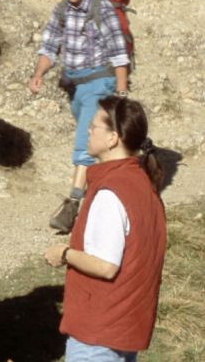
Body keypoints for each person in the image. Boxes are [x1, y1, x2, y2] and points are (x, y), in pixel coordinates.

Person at [45, 96, 167, 362]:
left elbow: (105, 265)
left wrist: (64, 253)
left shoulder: (111, 191)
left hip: (98, 333)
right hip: (126, 325)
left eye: (94, 127)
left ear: (113, 138)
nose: (88, 131)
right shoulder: (143, 184)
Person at [29, 0, 130, 234]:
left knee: (83, 141)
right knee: (94, 139)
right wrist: (39, 73)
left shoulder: (103, 8)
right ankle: (114, 183)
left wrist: (120, 92)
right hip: (74, 86)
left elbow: (119, 52)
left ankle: (73, 204)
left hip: (100, 82)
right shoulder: (62, 10)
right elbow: (49, 47)